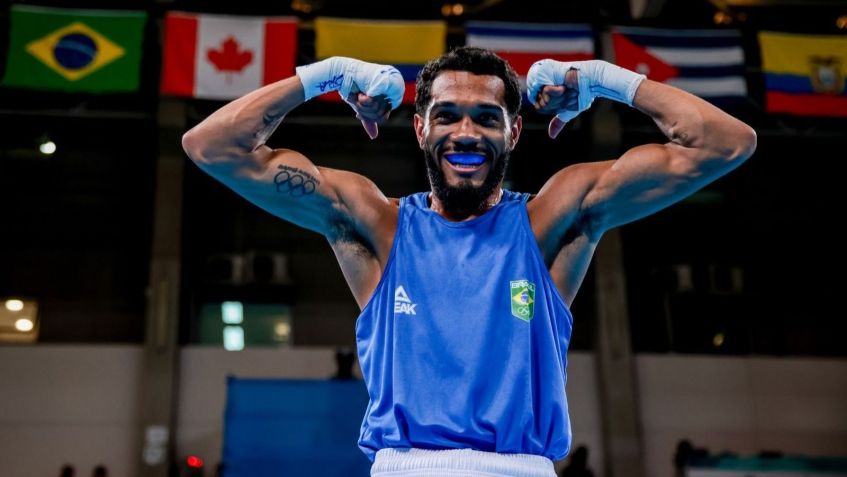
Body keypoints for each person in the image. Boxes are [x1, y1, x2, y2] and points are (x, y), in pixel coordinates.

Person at [182, 46, 755, 476]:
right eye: (448, 115)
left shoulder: (552, 219)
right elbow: (210, 147)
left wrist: (602, 79)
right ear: (419, 127)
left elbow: (726, 143)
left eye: (485, 118)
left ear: (513, 132)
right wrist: (323, 74)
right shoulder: (373, 223)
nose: (465, 132)